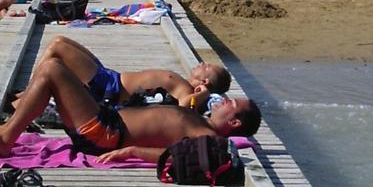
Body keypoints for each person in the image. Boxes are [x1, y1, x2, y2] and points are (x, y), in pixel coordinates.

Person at [0, 57, 261, 162]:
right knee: (54, 67)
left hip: (105, 133)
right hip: (106, 120)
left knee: (53, 69)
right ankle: (7, 132)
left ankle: (6, 138)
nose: (224, 101)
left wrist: (132, 152)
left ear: (235, 123)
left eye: (231, 104)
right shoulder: (200, 119)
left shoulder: (209, 138)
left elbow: (175, 157)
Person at [22, 35, 232, 110]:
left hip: (109, 88)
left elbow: (186, 106)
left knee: (58, 47)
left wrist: (204, 93)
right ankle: (29, 92)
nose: (202, 62)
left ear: (205, 81)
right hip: (109, 76)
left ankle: (27, 95)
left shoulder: (185, 91)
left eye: (207, 67)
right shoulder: (182, 84)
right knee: (60, 41)